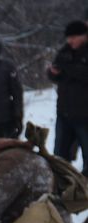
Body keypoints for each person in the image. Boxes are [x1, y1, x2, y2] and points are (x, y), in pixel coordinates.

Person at [47, 20, 88, 175]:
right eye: (68, 37)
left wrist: (67, 68)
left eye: (74, 37)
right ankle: (62, 185)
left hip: (85, 115)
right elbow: (55, 73)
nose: (71, 41)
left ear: (83, 36)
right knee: (59, 157)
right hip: (64, 113)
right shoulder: (64, 51)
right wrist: (53, 72)